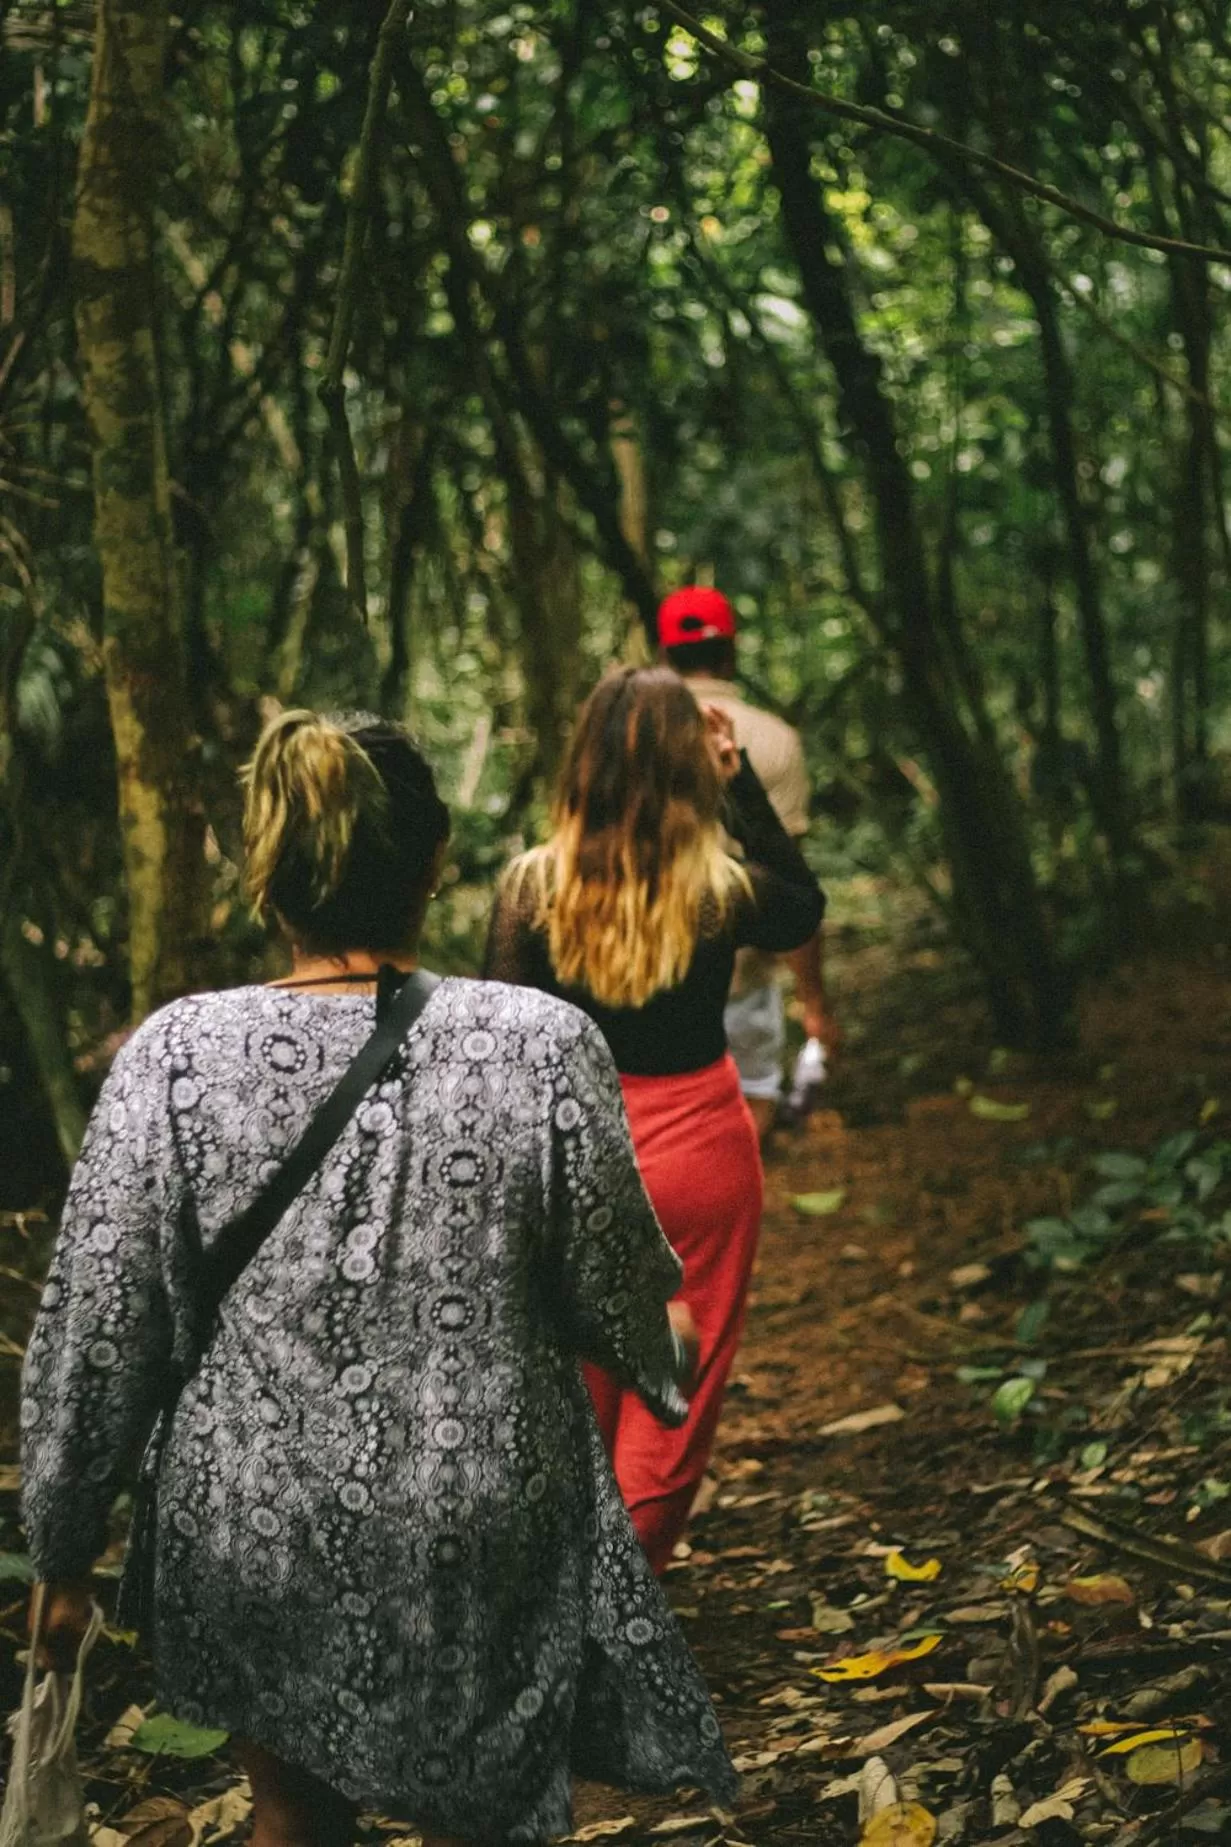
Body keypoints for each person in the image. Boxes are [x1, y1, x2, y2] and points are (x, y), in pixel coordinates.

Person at [20, 708, 737, 1847]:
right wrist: (669, 1343)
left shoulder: (172, 1052)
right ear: (437, 860)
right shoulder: (538, 1040)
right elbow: (619, 1303)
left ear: (269, 875)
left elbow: (101, 1324)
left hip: (251, 1518)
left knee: (291, 1818)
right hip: (478, 1515)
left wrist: (63, 1548)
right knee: (483, 1817)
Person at [484, 668, 824, 1571]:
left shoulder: (529, 889)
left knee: (586, 1377)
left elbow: (507, 1047)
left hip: (578, 1168)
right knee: (672, 1388)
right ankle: (626, 1580)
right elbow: (802, 909)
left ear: (582, 762)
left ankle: (569, 1585)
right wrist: (740, 776)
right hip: (700, 1166)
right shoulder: (718, 889)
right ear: (691, 767)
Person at [658, 585, 838, 1136]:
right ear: (732, 651)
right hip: (743, 973)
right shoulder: (776, 738)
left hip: (646, 972)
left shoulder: (636, 735)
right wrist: (815, 1004)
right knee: (749, 1110)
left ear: (665, 655)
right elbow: (788, 877)